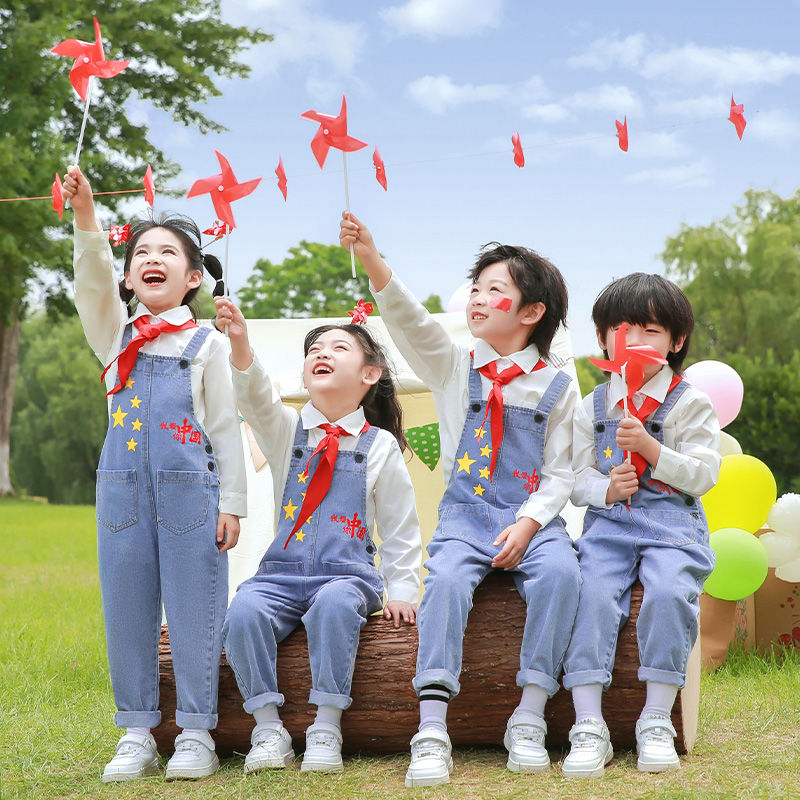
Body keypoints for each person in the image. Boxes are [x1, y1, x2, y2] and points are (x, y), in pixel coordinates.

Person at [339, 213, 581, 787]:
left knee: (562, 578)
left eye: (496, 289)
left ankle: (529, 715)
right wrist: (372, 256)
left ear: (531, 312)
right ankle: (431, 726)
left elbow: (563, 472)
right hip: (465, 519)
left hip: (534, 521)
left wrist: (527, 525)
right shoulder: (454, 366)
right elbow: (409, 322)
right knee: (443, 585)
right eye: (476, 287)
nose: (478, 297)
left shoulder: (558, 385)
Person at [63, 166, 247, 782]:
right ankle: (137, 731)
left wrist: (234, 503)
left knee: (197, 607)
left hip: (192, 494)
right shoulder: (115, 336)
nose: (153, 258)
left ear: (193, 277)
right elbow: (90, 284)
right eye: (142, 251)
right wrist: (86, 218)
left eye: (168, 252)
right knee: (127, 605)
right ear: (129, 274)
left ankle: (196, 731)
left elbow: (224, 428)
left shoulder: (206, 345)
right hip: (120, 494)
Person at [215, 297, 422, 774]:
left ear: (370, 375)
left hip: (347, 576)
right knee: (243, 612)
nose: (321, 353)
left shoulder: (380, 445)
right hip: (279, 575)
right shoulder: (287, 431)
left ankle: (326, 727)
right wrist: (240, 340)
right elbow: (255, 397)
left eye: (337, 347)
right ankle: (267, 727)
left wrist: (404, 591)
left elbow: (400, 526)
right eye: (314, 350)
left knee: (332, 608)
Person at [561, 273, 720, 778]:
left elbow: (704, 473)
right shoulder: (592, 406)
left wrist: (652, 450)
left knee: (671, 591)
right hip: (610, 524)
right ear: (604, 338)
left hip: (672, 524)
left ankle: (656, 718)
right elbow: (573, 476)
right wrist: (606, 489)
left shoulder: (690, 401)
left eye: (649, 330)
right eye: (620, 329)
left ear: (675, 342)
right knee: (587, 592)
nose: (632, 341)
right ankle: (588, 722)